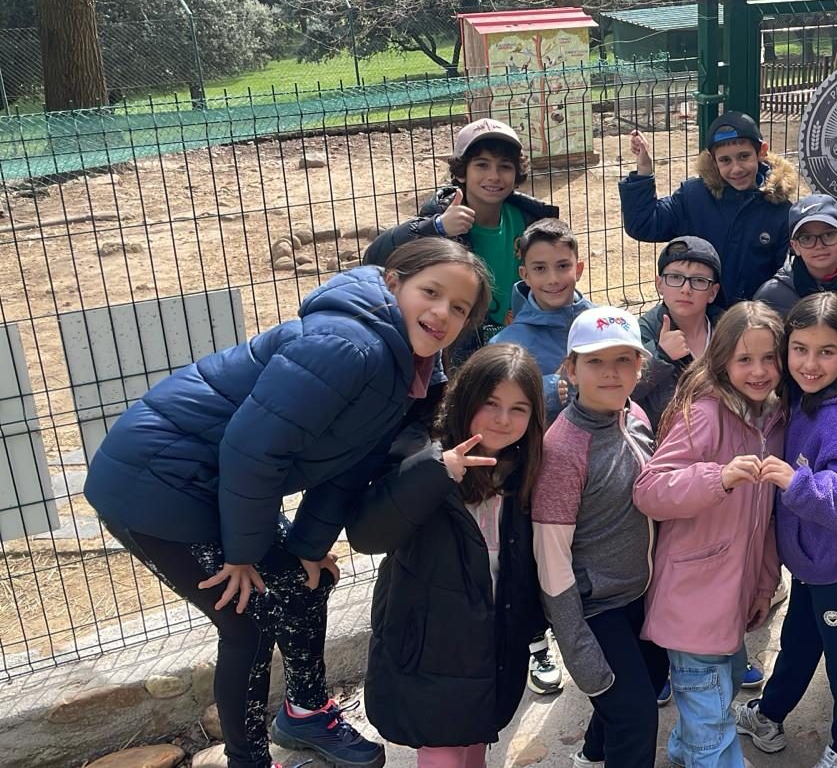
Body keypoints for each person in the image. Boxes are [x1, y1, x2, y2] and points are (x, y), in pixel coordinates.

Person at [84, 238, 491, 768]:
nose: (441, 313)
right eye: (430, 293)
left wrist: (308, 547)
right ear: (394, 283)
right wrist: (243, 554)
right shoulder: (348, 347)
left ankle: (305, 712)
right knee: (248, 621)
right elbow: (253, 449)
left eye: (458, 308)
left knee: (306, 580)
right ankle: (248, 761)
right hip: (153, 482)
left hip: (216, 480)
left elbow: (352, 464)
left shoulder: (412, 369)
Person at [349, 344, 549, 768]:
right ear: (465, 397)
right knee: (442, 753)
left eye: (518, 409)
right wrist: (435, 472)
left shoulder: (522, 469)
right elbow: (367, 535)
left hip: (491, 642)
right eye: (490, 403)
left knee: (474, 747)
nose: (503, 419)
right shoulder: (420, 450)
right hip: (428, 649)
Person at [633, 302, 789, 768]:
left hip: (733, 594)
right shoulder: (705, 414)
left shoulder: (771, 419)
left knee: (721, 688)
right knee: (713, 718)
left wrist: (763, 585)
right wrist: (716, 478)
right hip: (693, 597)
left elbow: (765, 520)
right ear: (721, 361)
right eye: (745, 359)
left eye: (769, 358)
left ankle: (688, 745)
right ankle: (705, 750)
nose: (758, 371)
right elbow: (649, 490)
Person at [735, 292, 837, 768]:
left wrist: (798, 483)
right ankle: (769, 714)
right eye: (799, 349)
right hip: (815, 563)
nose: (810, 363)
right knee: (799, 643)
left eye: (826, 351)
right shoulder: (807, 394)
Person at [531, 307, 669, 768]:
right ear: (571, 369)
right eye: (595, 361)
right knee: (636, 718)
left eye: (623, 360)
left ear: (639, 366)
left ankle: (592, 755)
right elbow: (551, 560)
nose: (611, 372)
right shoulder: (563, 449)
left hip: (641, 594)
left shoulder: (635, 415)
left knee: (645, 684)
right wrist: (577, 647)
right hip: (596, 609)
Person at [365, 118, 560, 362]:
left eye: (505, 166)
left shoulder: (530, 219)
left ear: (516, 173)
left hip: (522, 341)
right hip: (459, 349)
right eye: (482, 165)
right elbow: (375, 257)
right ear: (461, 172)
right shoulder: (439, 219)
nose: (494, 176)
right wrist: (436, 227)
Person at [619, 112, 807, 307]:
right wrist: (644, 170)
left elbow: (785, 279)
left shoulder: (780, 210)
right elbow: (643, 224)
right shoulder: (693, 197)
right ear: (713, 160)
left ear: (761, 151)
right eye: (725, 160)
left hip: (752, 316)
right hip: (698, 313)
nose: (736, 168)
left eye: (744, 156)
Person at [490, 217, 596, 419]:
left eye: (563, 266)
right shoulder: (505, 344)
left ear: (579, 269)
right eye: (540, 268)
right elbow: (492, 402)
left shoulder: (603, 324)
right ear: (525, 275)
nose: (553, 279)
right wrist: (545, 390)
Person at [636, 235, 724, 429]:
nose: (686, 289)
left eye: (699, 280)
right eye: (675, 277)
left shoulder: (727, 331)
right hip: (665, 441)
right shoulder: (642, 332)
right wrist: (660, 356)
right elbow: (623, 392)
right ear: (659, 284)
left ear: (713, 292)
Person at [754, 194, 837, 317]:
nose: (819, 245)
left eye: (828, 235)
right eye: (807, 238)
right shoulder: (771, 297)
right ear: (795, 246)